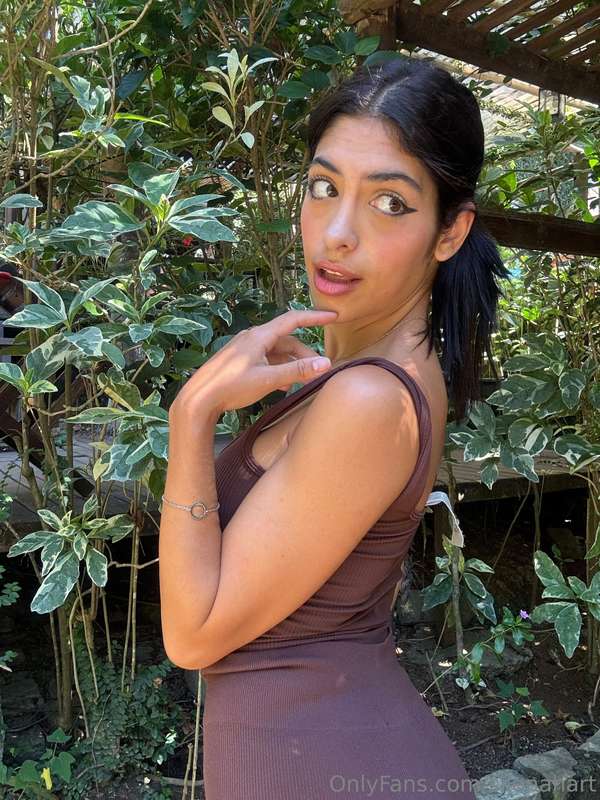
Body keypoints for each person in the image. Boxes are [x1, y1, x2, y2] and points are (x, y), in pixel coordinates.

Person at [159, 57, 509, 799]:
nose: (338, 233)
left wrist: (190, 418)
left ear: (450, 231)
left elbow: (192, 636)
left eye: (390, 202)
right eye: (324, 187)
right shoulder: (368, 371)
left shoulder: (370, 398)